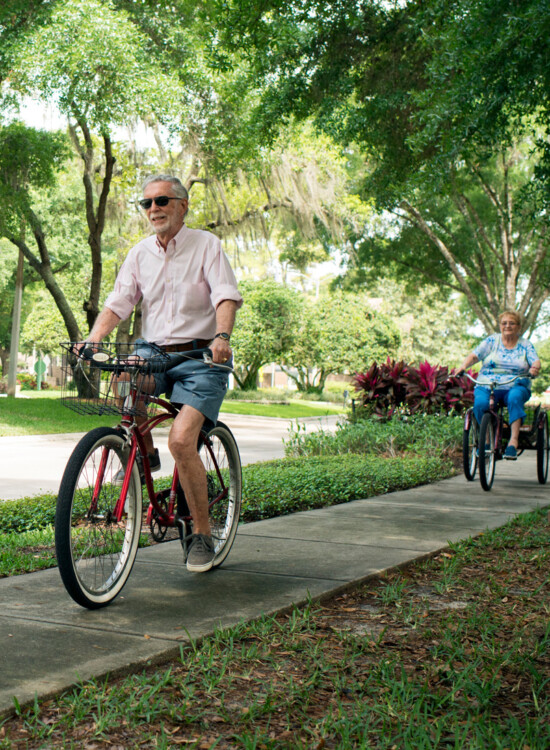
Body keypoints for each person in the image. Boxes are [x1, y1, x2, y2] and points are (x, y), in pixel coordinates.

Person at [84, 174, 243, 572]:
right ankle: (146, 457)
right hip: (153, 352)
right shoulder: (139, 253)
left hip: (201, 357)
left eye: (162, 201)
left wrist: (222, 336)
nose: (153, 209)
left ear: (181, 206)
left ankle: (203, 535)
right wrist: (93, 338)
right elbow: (119, 302)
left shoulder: (207, 245)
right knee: (124, 379)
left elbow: (226, 295)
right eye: (147, 203)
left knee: (182, 440)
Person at [458, 310, 541, 460]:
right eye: (504, 323)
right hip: (487, 384)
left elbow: (535, 361)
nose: (507, 326)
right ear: (500, 325)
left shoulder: (525, 345)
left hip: (515, 384)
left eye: (512, 323)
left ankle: (513, 442)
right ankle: (487, 441)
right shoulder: (491, 341)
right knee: (480, 404)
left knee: (515, 398)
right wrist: (463, 367)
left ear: (519, 327)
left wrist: (534, 369)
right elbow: (474, 355)